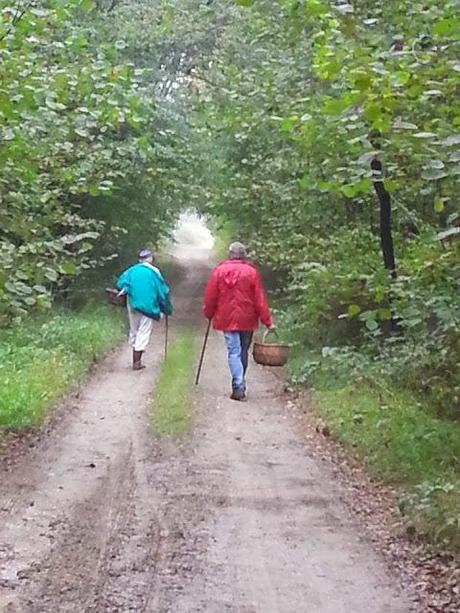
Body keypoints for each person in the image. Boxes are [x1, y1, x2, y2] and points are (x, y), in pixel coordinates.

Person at [203, 241, 275, 401]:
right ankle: (240, 383)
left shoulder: (219, 271)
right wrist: (268, 321)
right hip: (247, 318)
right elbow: (260, 300)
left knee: (234, 351)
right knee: (242, 350)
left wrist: (208, 313)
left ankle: (238, 384)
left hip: (227, 317)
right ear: (244, 255)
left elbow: (210, 297)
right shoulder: (251, 272)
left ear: (229, 254)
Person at [116, 249, 172, 370]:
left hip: (132, 304)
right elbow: (162, 291)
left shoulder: (131, 270)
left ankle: (135, 353)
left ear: (139, 259)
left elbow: (120, 283)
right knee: (144, 330)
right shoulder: (154, 272)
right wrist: (166, 308)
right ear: (150, 259)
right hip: (148, 305)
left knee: (134, 329)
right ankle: (137, 361)